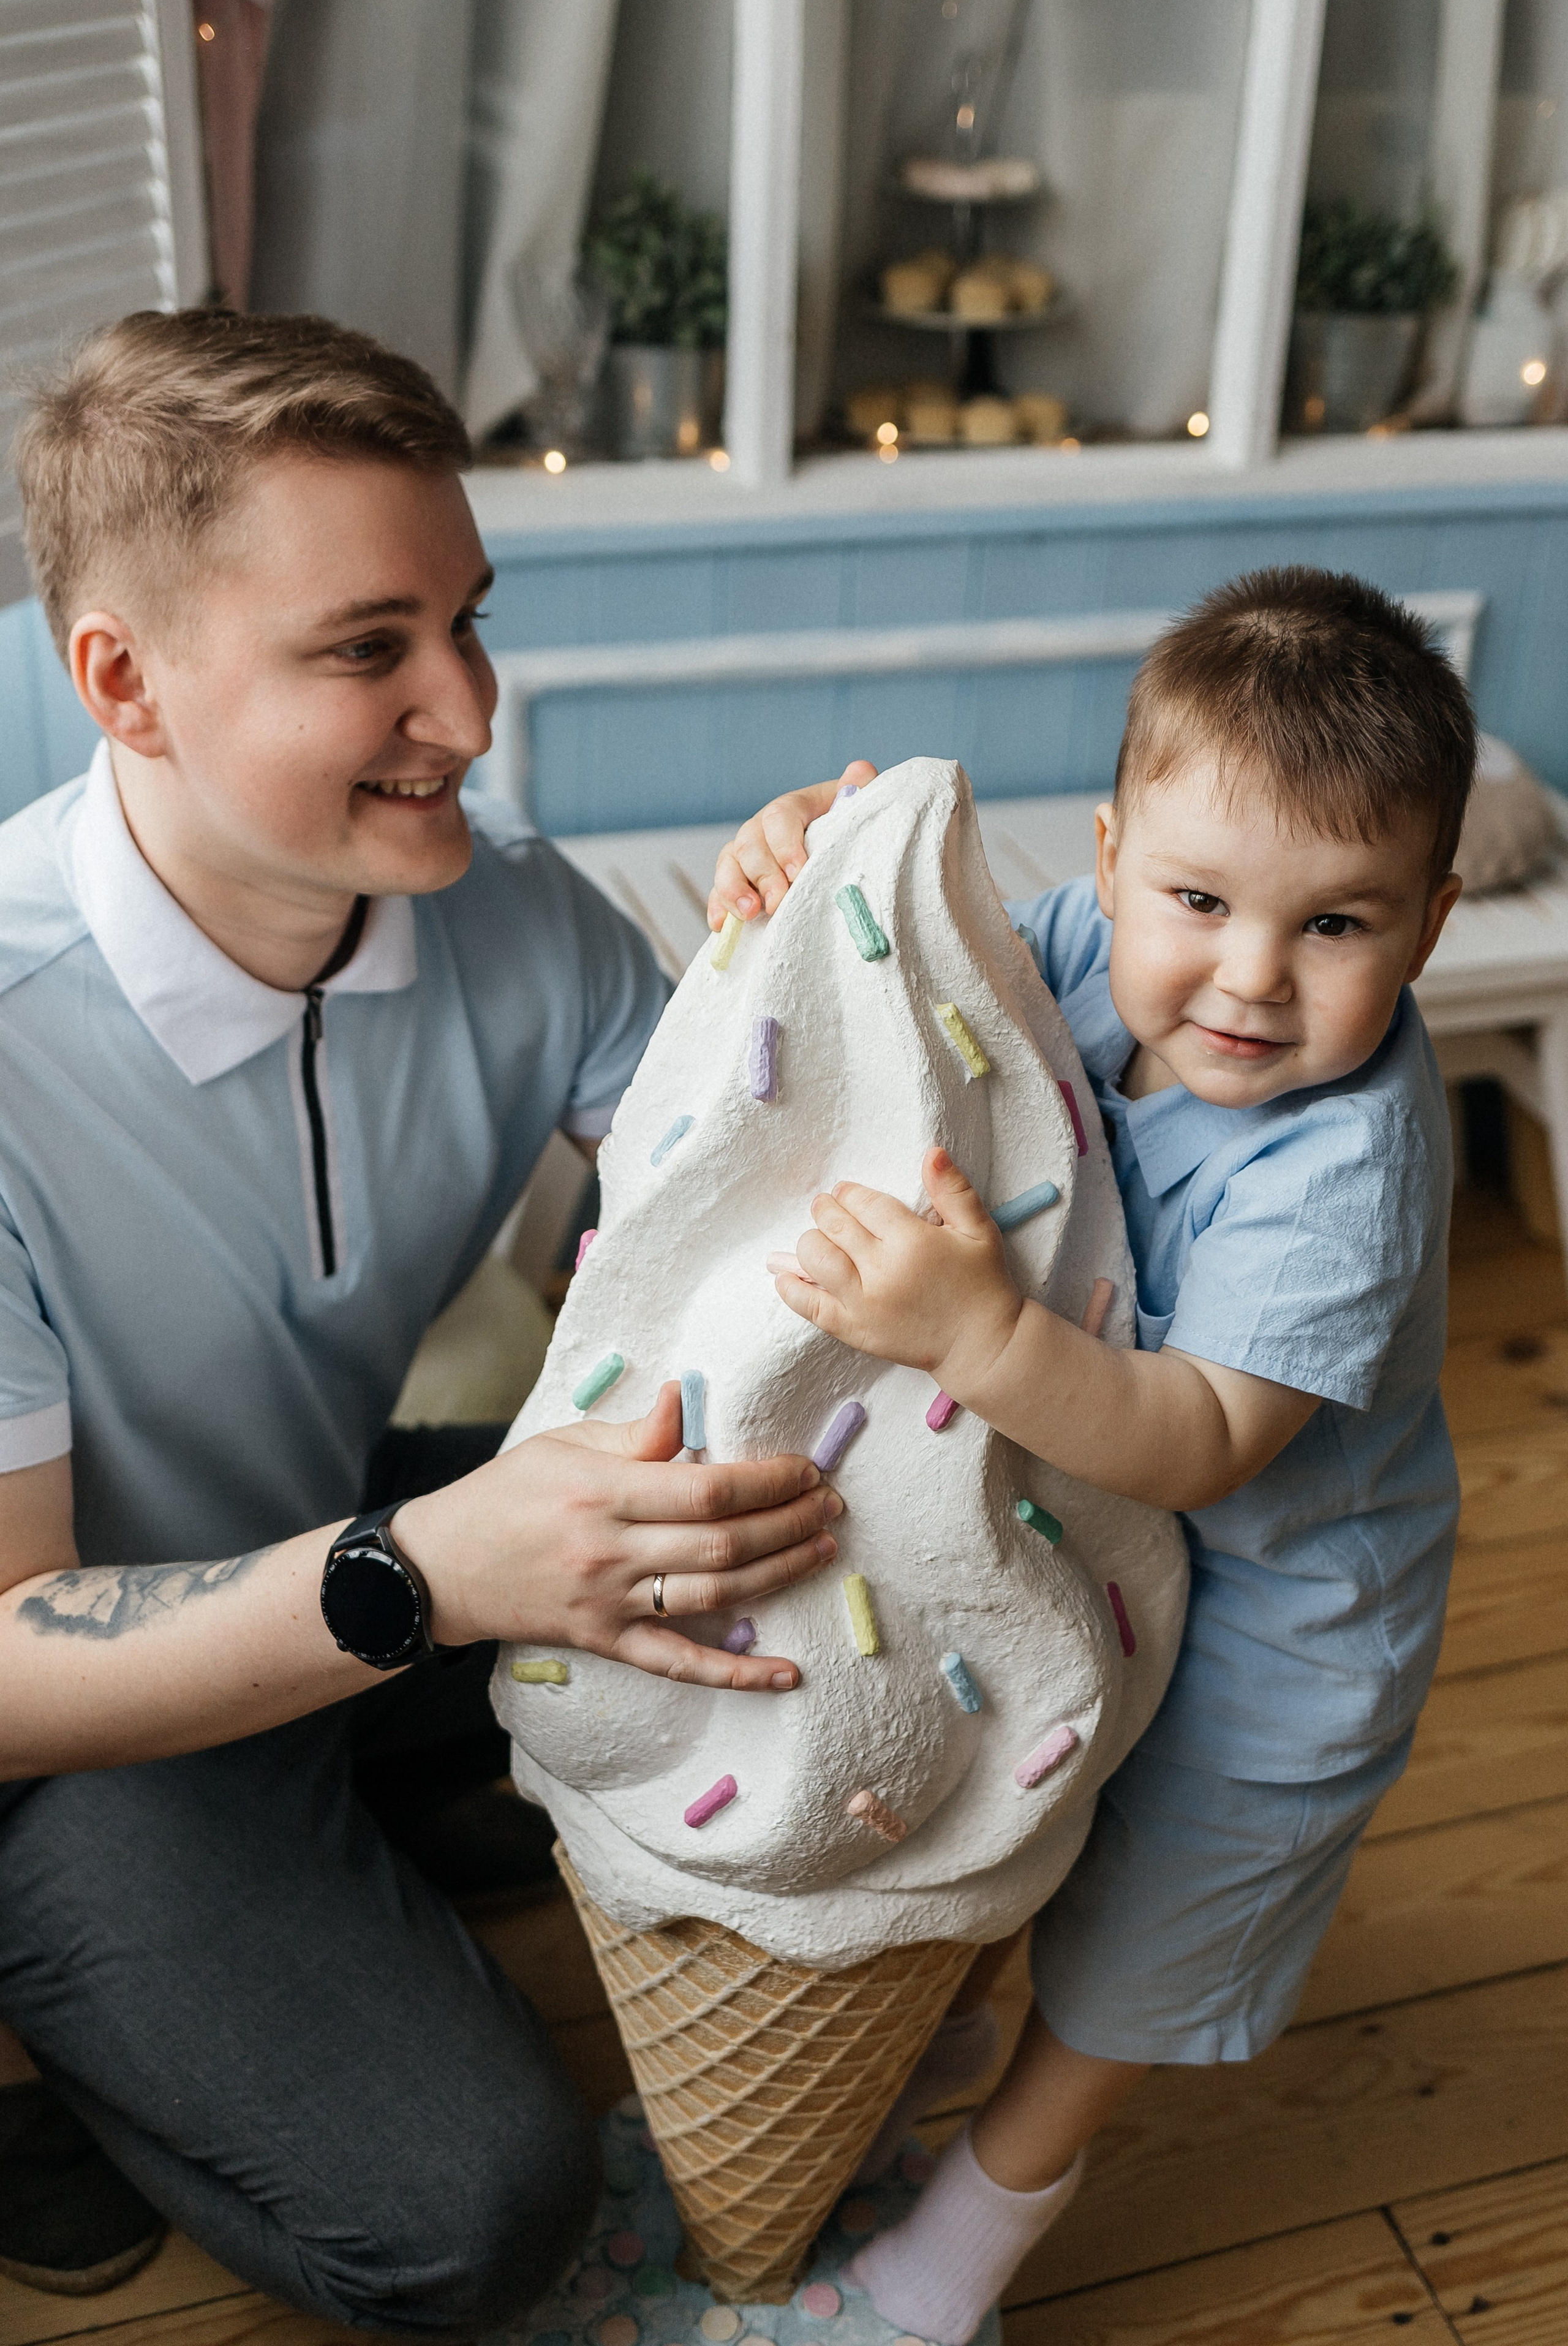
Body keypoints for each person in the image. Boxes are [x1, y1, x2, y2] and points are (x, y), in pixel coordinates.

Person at [0, 309, 848, 2336]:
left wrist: (817, 951)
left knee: (784, 1537)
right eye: (368, 649)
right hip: (61, 1718)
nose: (467, 710)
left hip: (339, 1548)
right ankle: (66, 2037)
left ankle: (369, 1796)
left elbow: (767, 1237)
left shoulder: (528, 922)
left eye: (468, 619)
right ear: (124, 681)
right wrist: (417, 1585)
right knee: (479, 2212)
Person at [708, 569, 1471, 2345]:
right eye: (1198, 899)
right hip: (1083, 1561)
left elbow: (1204, 1438)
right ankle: (941, 2040)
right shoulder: (1074, 943)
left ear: (1430, 928)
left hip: (1283, 1635)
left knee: (1134, 1956)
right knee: (1018, 1821)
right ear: (1114, 853)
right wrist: (800, 860)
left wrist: (976, 1337)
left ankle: (959, 2259)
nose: (1252, 978)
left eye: (1339, 927)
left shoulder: (1346, 1164)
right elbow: (906, 950)